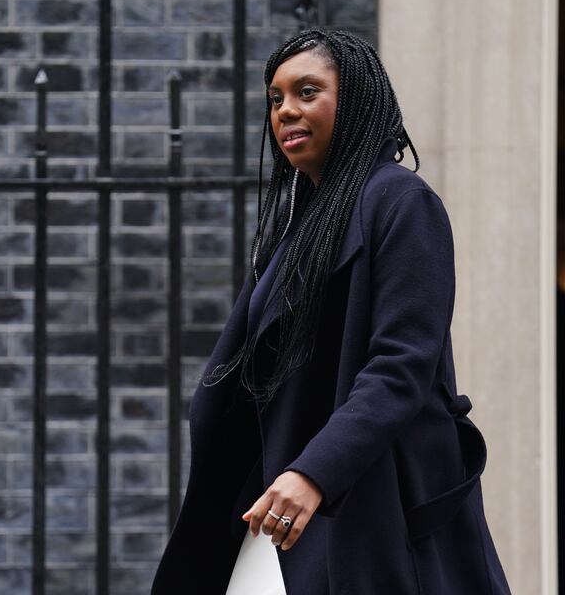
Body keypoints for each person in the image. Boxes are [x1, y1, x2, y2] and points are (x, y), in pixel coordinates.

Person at [150, 29, 512, 594]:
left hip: (372, 501)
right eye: (275, 99)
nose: (286, 111)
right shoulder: (298, 225)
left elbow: (401, 365)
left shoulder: (402, 203)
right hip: (283, 504)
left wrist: (315, 471)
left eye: (307, 92)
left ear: (356, 100)